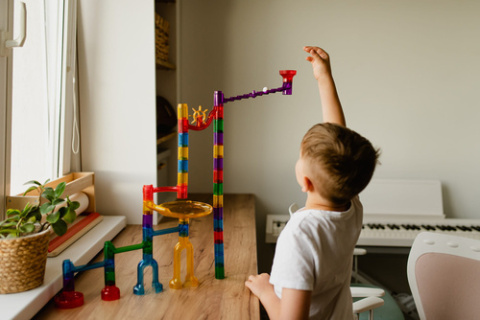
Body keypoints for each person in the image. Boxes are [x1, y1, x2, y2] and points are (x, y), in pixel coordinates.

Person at [245, 46, 380, 319]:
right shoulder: (350, 206)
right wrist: (323, 78)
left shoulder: (300, 236)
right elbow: (339, 137)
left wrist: (266, 291)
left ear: (305, 182)